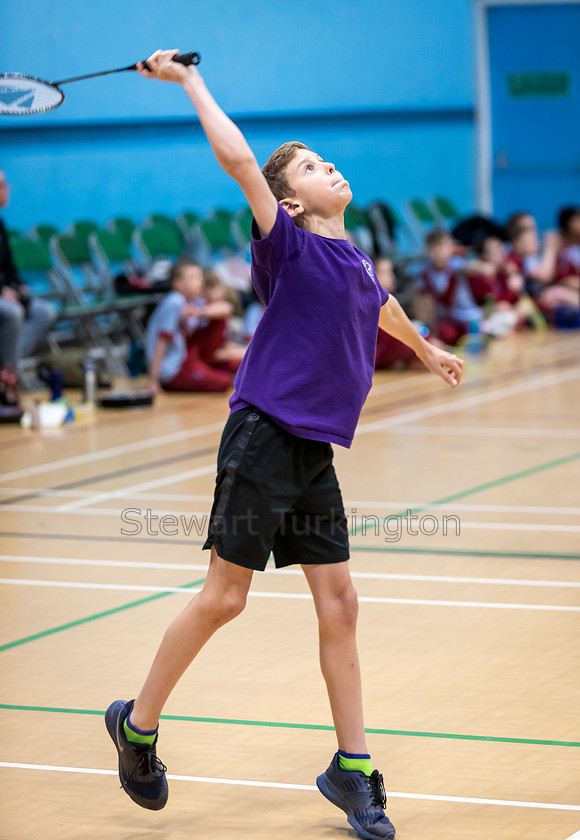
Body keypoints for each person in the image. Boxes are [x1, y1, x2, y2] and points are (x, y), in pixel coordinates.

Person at [105, 50, 463, 840]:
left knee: (342, 603)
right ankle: (136, 727)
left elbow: (381, 305)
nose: (327, 167)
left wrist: (428, 348)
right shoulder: (289, 247)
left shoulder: (355, 257)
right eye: (309, 167)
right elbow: (239, 159)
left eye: (324, 159)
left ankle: (354, 771)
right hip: (264, 435)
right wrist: (190, 81)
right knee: (225, 597)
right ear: (290, 203)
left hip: (313, 453)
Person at [0, 168, 57, 404]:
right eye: (2, 185)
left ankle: (5, 367)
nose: (8, 189)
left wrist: (19, 286)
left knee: (46, 312)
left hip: (6, 292)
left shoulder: (0, 222)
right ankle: (8, 375)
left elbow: (9, 265)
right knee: (13, 313)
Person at [146, 259, 243, 394]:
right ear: (178, 284)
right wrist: (153, 380)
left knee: (219, 320)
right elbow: (161, 342)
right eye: (193, 277)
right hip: (173, 369)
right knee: (224, 382)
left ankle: (208, 366)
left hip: (186, 359)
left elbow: (226, 308)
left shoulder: (192, 301)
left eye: (199, 276)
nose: (199, 281)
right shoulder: (174, 302)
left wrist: (199, 312)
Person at [414, 230, 482, 346]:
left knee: (474, 343)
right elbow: (422, 305)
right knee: (443, 335)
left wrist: (465, 255)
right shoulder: (424, 273)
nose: (441, 251)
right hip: (446, 322)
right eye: (437, 247)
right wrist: (431, 330)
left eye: (446, 246)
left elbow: (481, 269)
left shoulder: (457, 265)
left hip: (468, 319)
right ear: (429, 250)